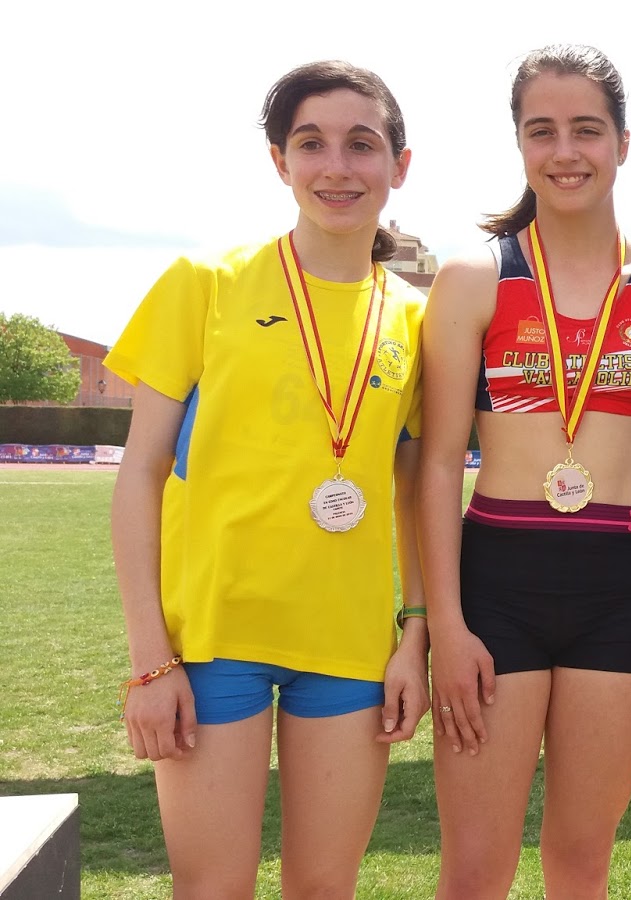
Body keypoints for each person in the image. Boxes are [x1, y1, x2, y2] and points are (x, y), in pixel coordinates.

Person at [106, 60, 429, 898]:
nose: (337, 167)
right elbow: (139, 475)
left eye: (362, 144)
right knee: (213, 889)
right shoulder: (204, 285)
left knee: (324, 889)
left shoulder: (416, 318)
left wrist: (416, 633)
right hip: (214, 642)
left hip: (350, 649)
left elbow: (418, 494)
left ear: (399, 164)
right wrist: (149, 661)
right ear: (280, 162)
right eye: (311, 144)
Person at [418, 44, 631, 899]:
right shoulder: (474, 278)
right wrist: (445, 627)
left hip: (619, 587)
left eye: (587, 129)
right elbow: (437, 465)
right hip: (497, 584)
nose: (565, 151)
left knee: (582, 864)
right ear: (519, 143)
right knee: (476, 871)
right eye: (542, 131)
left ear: (623, 143)